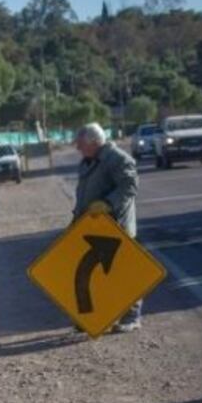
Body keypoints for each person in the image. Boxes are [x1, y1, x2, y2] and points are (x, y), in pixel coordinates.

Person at [72, 122, 141, 333]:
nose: (77, 148)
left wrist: (109, 203)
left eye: (80, 143)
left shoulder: (117, 159)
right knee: (95, 275)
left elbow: (130, 185)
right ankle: (97, 316)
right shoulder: (89, 161)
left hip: (116, 226)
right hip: (93, 228)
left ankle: (132, 317)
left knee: (123, 272)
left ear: (94, 141)